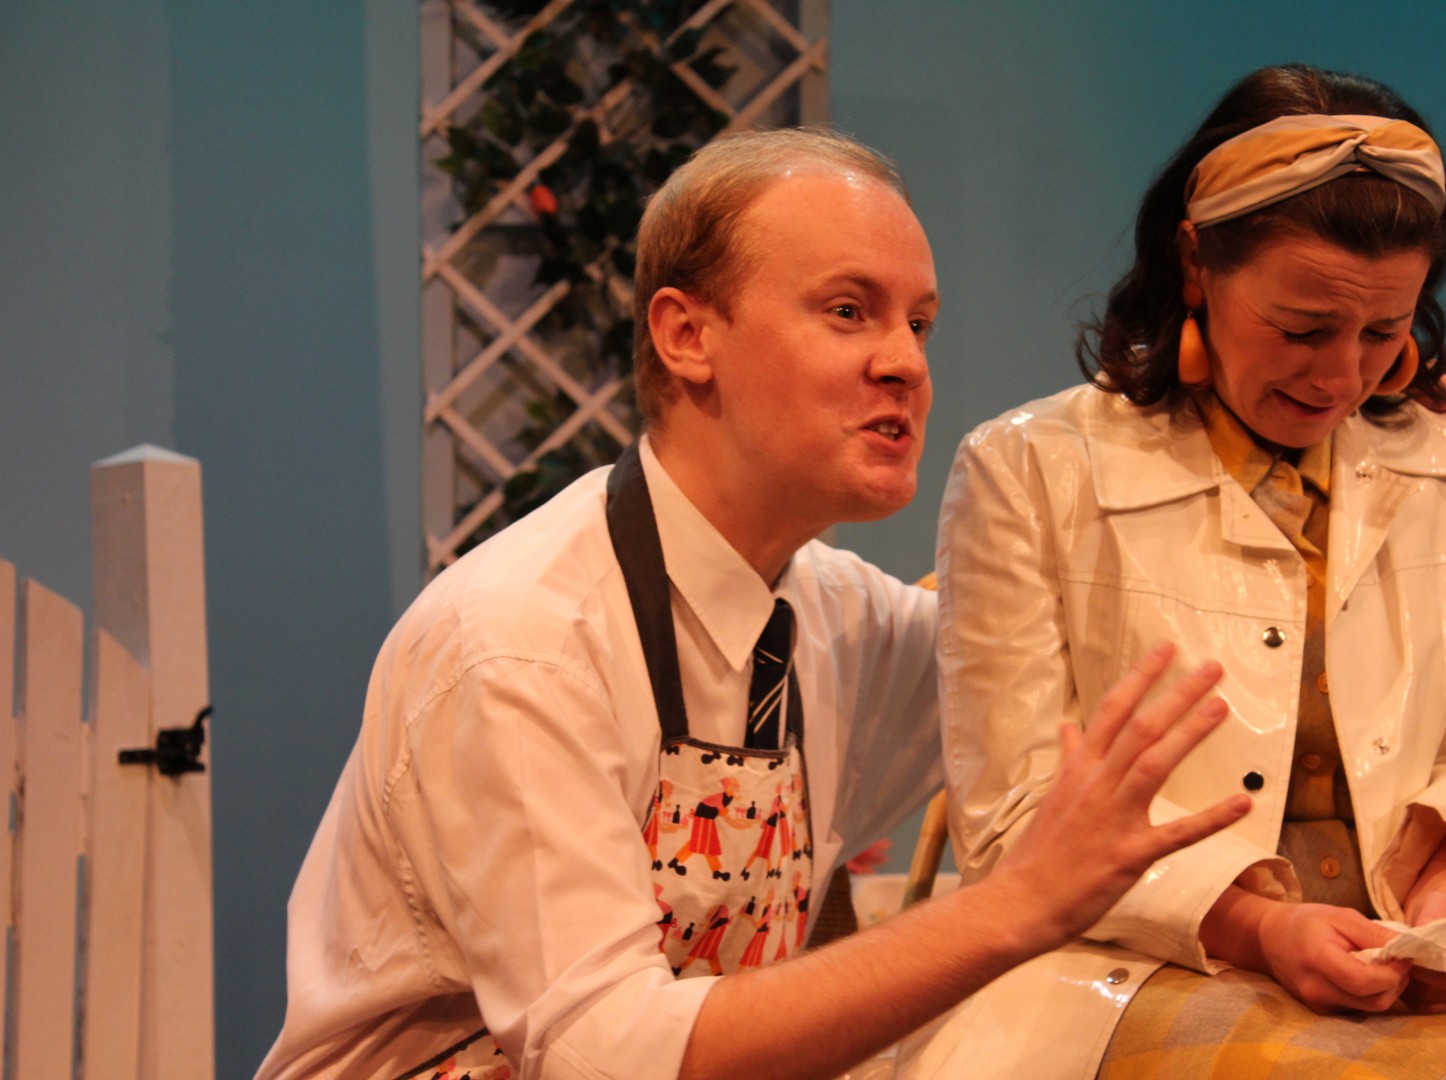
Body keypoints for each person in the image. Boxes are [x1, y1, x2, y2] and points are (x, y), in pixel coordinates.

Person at [254, 128, 1258, 1080]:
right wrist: (1015, 906)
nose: (906, 362)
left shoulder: (836, 617)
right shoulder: (525, 644)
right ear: (687, 334)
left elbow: (1068, 655)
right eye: (849, 311)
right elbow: (604, 1053)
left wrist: (1313, 421)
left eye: (919, 323)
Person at [901, 65, 1446, 1079]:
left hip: (1396, 961)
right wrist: (1255, 925)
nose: (1341, 376)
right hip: (1126, 965)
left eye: (1383, 332)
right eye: (1302, 328)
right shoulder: (1027, 471)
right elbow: (1016, 816)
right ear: (1196, 262)